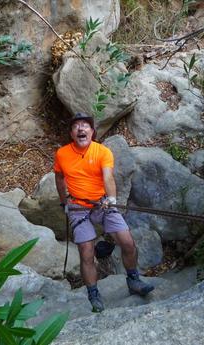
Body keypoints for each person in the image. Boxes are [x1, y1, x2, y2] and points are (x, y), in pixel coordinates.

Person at [53, 112, 154, 312]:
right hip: (78, 206)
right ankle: (93, 293)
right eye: (76, 126)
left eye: (85, 126)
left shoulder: (102, 152)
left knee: (127, 241)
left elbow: (108, 177)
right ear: (71, 133)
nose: (81, 129)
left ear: (92, 132)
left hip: (102, 203)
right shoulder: (62, 154)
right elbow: (59, 177)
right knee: (86, 251)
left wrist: (111, 199)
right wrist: (64, 201)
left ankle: (133, 280)